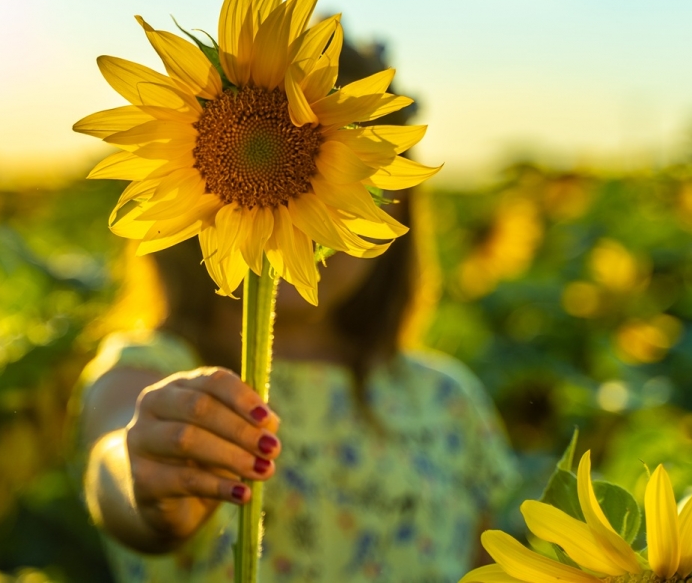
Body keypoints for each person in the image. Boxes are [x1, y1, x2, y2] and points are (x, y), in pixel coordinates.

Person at [70, 44, 517, 583]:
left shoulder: (447, 400)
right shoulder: (155, 371)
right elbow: (117, 451)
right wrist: (150, 474)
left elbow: (487, 564)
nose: (302, 221)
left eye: (347, 186)